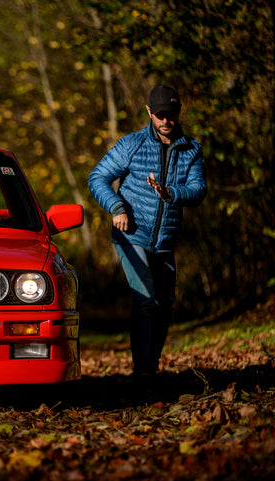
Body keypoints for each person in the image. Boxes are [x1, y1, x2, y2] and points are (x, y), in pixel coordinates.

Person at [88, 84, 207, 375]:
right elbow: (97, 178)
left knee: (164, 306)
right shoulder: (132, 144)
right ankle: (143, 374)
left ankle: (150, 366)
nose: (166, 120)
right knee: (145, 299)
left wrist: (170, 193)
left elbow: (198, 190)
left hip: (165, 241)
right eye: (160, 114)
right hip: (131, 235)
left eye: (171, 114)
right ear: (149, 112)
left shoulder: (191, 149)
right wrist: (117, 207)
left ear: (179, 112)